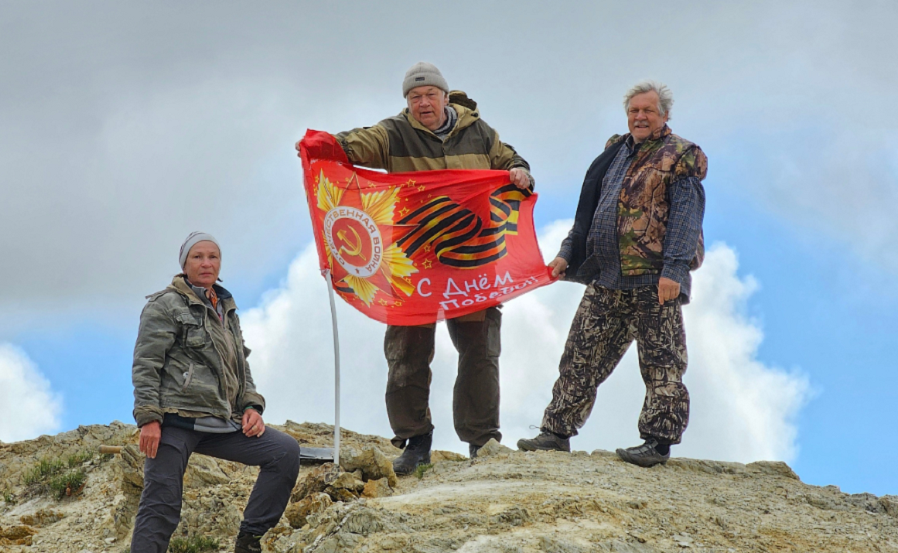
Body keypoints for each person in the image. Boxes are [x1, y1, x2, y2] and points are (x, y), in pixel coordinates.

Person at [298, 62, 534, 473]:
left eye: (429, 95)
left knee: (481, 350)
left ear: (445, 96)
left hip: (471, 260)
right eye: (414, 97)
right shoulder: (393, 132)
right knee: (406, 351)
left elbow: (511, 159)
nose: (423, 103)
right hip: (413, 262)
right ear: (407, 102)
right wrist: (320, 146)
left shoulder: (480, 131)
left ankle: (482, 441)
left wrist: (520, 170)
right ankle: (414, 440)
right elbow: (355, 144)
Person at [517, 81, 707, 467]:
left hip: (656, 283)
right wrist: (568, 254)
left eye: (648, 111)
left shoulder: (681, 156)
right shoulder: (614, 153)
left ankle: (658, 441)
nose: (640, 117)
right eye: (634, 111)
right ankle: (555, 432)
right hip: (607, 278)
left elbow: (687, 219)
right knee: (579, 357)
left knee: (662, 364)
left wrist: (673, 270)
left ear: (664, 115)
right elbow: (591, 212)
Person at [129, 232, 300, 553]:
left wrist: (252, 406)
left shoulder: (226, 308)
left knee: (284, 451)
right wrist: (149, 418)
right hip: (175, 422)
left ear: (219, 265)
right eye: (198, 257)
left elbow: (241, 364)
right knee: (161, 504)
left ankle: (250, 539)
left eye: (213, 257)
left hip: (222, 422)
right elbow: (146, 365)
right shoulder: (164, 305)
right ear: (185, 264)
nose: (206, 263)